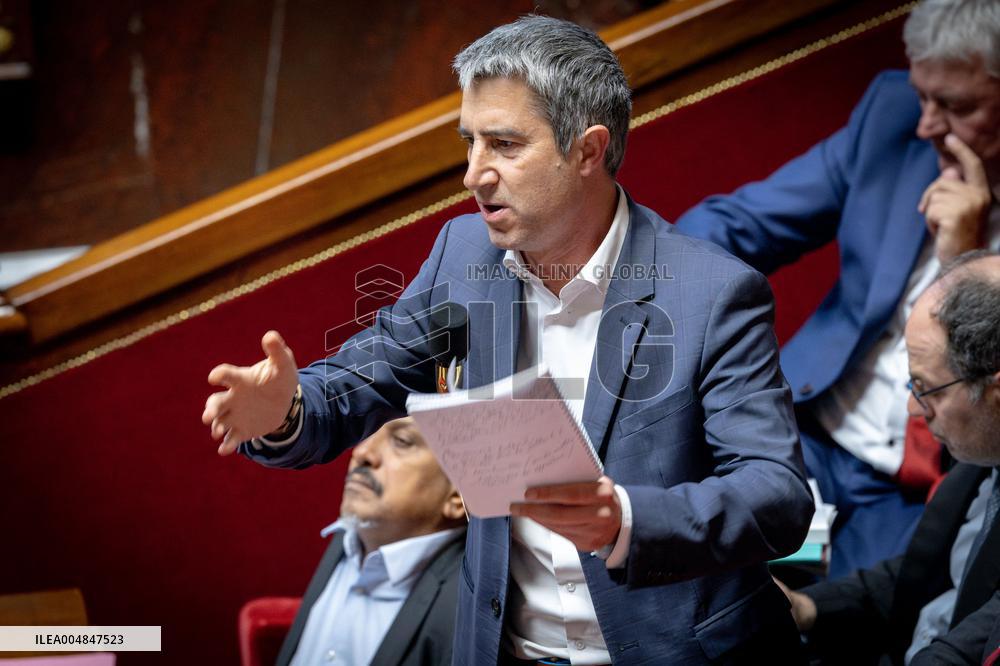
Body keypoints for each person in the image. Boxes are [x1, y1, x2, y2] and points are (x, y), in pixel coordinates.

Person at [203, 16, 814, 664]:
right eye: (470, 143)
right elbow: (357, 383)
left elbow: (775, 493)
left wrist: (628, 520)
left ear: (587, 149)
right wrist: (287, 410)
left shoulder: (709, 293)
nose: (473, 174)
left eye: (503, 145)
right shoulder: (464, 257)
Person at [674, 0, 1000, 579]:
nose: (928, 123)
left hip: (926, 488)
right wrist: (638, 273)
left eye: (956, 105)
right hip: (808, 433)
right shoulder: (895, 117)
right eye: (925, 95)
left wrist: (964, 264)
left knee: (848, 626)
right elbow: (743, 224)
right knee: (690, 568)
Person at [777, 251, 1000, 665]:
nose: (914, 411)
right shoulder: (981, 449)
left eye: (925, 387)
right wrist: (806, 608)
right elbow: (926, 572)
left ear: (994, 389)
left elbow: (977, 641)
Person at [276, 417, 466, 666]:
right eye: (365, 432)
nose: (362, 452)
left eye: (401, 441)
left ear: (458, 494)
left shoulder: (468, 611)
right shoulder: (351, 536)